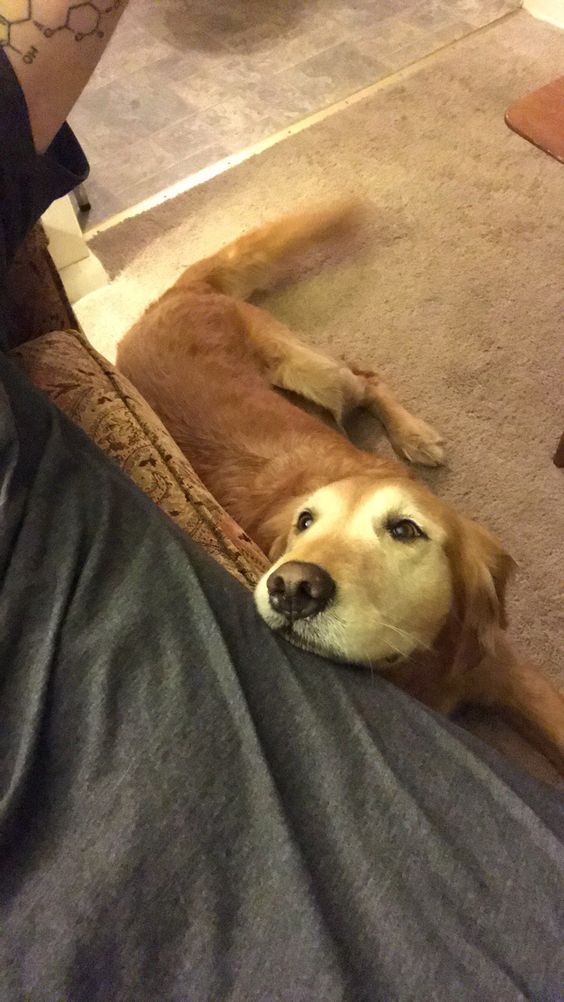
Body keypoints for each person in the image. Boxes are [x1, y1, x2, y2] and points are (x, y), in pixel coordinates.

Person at [0, 4, 562, 1000]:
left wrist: (377, 420)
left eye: (403, 532)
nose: (306, 570)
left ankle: (373, 396)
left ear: (479, 588)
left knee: (341, 393)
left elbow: (507, 677)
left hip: (205, 334)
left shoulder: (473, 615)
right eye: (304, 537)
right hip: (179, 353)